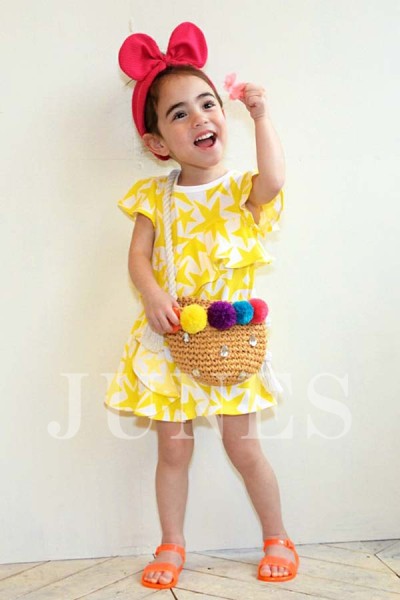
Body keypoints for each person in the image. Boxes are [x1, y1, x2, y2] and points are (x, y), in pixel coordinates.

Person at [105, 21, 299, 590]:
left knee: (244, 447)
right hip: (170, 341)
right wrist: (152, 294)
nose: (199, 118)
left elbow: (275, 179)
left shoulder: (240, 191)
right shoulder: (154, 195)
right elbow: (138, 258)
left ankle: (278, 535)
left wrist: (260, 116)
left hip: (228, 343)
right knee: (173, 449)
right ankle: (171, 542)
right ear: (158, 143)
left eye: (207, 104)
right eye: (179, 113)